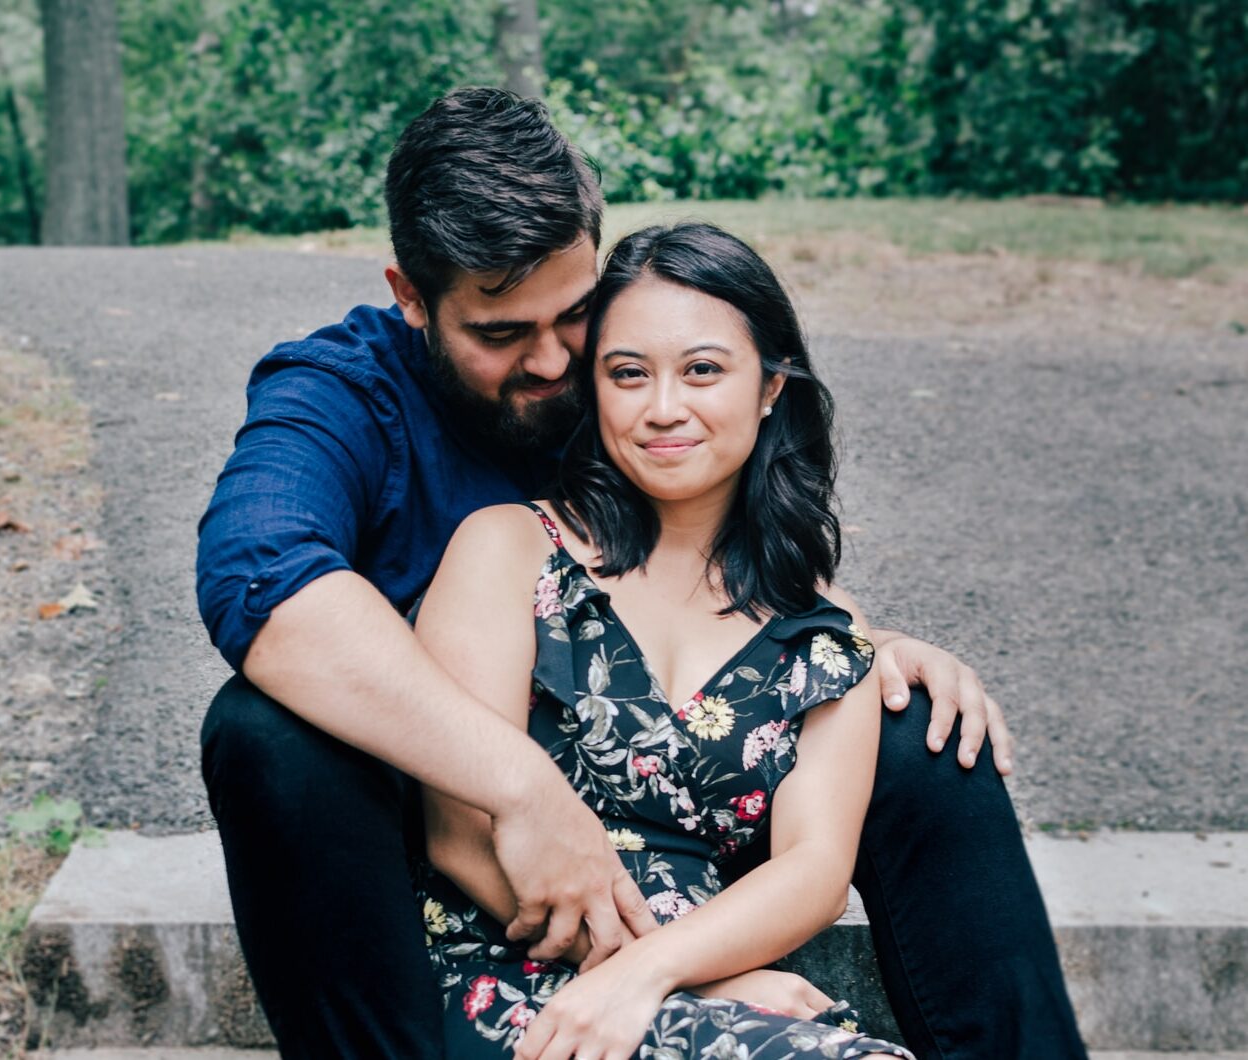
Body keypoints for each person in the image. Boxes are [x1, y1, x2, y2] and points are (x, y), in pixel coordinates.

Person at [197, 87, 1086, 1059]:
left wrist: (849, 646)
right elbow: (262, 581)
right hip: (442, 832)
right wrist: (520, 787)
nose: (550, 362)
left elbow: (721, 551)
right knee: (265, 732)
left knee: (915, 723)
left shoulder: (623, 372)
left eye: (574, 317)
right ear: (411, 296)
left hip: (674, 803)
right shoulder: (344, 395)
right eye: (499, 333)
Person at [414, 220, 912, 1059]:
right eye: (627, 374)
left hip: (701, 980)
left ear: (769, 388)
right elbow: (459, 836)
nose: (663, 409)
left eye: (704, 370)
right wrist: (666, 976)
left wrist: (663, 975)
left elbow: (817, 873)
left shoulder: (825, 631)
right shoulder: (507, 549)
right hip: (509, 972)